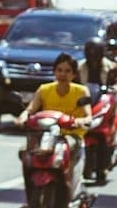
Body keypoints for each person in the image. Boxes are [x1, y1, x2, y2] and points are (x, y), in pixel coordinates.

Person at [22, 52, 90, 186]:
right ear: (54, 72)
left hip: (71, 136)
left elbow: (88, 116)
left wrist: (80, 121)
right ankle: (31, 190)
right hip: (47, 136)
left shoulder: (81, 91)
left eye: (67, 71)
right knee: (25, 152)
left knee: (67, 150)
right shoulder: (44, 90)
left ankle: (69, 185)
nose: (63, 74)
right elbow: (30, 110)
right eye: (59, 70)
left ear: (74, 74)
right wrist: (22, 117)